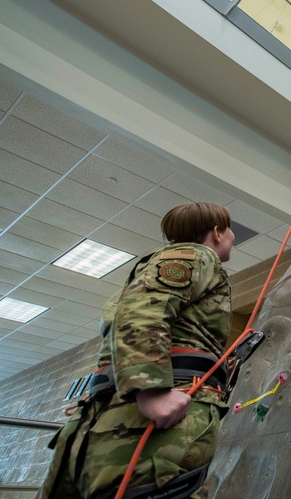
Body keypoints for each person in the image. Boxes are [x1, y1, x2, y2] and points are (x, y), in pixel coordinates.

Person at [40, 202, 235, 499]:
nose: (233, 236)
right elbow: (144, 313)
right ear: (218, 233)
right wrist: (152, 391)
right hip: (150, 419)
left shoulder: (162, 267)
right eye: (230, 229)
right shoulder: (195, 256)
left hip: (115, 416)